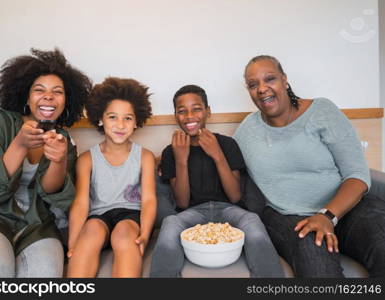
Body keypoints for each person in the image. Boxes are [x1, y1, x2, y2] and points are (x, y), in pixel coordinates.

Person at [233, 55, 385, 277]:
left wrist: (326, 216)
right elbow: (225, 162)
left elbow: (357, 175)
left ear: (284, 80)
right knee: (316, 265)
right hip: (290, 216)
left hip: (347, 209)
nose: (262, 89)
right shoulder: (248, 131)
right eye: (253, 85)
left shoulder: (322, 111)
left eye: (270, 79)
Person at [0, 48, 92, 277]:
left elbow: (55, 194)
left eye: (58, 92)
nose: (48, 96)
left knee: (45, 278)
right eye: (39, 90)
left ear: (66, 100)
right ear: (26, 96)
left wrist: (59, 161)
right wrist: (20, 145)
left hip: (37, 226)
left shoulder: (63, 138)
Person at [150, 84, 284, 278]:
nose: (189, 116)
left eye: (196, 109)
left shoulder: (227, 144)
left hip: (228, 209)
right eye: (182, 111)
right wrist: (181, 160)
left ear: (208, 112)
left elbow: (235, 195)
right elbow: (181, 202)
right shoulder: (171, 151)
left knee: (252, 220)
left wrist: (217, 155)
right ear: (175, 116)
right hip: (191, 213)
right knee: (170, 223)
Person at [66, 77, 157, 278]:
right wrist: (73, 243)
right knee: (90, 233)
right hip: (98, 216)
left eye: (128, 118)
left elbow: (149, 200)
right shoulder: (87, 159)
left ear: (136, 122)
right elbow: (81, 203)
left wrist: (145, 236)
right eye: (113, 117)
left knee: (124, 236)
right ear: (100, 118)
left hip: (130, 215)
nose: (120, 124)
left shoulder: (145, 157)